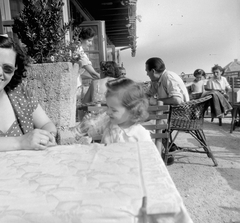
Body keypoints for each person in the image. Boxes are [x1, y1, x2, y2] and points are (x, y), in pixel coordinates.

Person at [0, 35, 57, 151]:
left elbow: (46, 124)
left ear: (15, 69)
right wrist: (20, 142)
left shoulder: (20, 94)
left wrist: (48, 136)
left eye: (7, 68)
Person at [145, 57, 189, 165]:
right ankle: (166, 149)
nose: (146, 74)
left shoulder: (168, 77)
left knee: (144, 124)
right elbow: (148, 94)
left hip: (179, 114)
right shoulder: (157, 79)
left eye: (147, 71)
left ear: (153, 71)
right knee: (141, 117)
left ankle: (160, 152)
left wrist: (156, 101)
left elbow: (177, 100)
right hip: (168, 112)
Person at [101, 77, 152, 144]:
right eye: (107, 107)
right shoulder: (109, 127)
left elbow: (148, 153)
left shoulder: (141, 135)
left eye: (114, 110)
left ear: (132, 110)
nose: (107, 112)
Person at [76, 27, 100, 100]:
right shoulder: (79, 52)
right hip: (75, 86)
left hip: (77, 84)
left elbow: (86, 73)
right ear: (81, 39)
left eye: (92, 41)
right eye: (89, 41)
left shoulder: (80, 51)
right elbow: (93, 73)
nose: (91, 44)